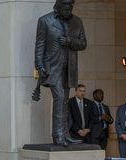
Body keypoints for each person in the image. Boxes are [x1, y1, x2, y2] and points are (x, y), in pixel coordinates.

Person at [33, 0, 87, 146]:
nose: (69, 10)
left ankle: (65, 134)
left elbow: (83, 44)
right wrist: (39, 66)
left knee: (64, 101)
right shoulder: (45, 20)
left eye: (71, 8)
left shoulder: (77, 21)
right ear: (58, 7)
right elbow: (40, 45)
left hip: (70, 68)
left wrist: (70, 41)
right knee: (60, 98)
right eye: (65, 7)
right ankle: (58, 135)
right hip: (52, 68)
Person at [115, 87, 126, 158]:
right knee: (123, 158)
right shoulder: (120, 108)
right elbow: (117, 123)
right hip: (122, 140)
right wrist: (122, 135)